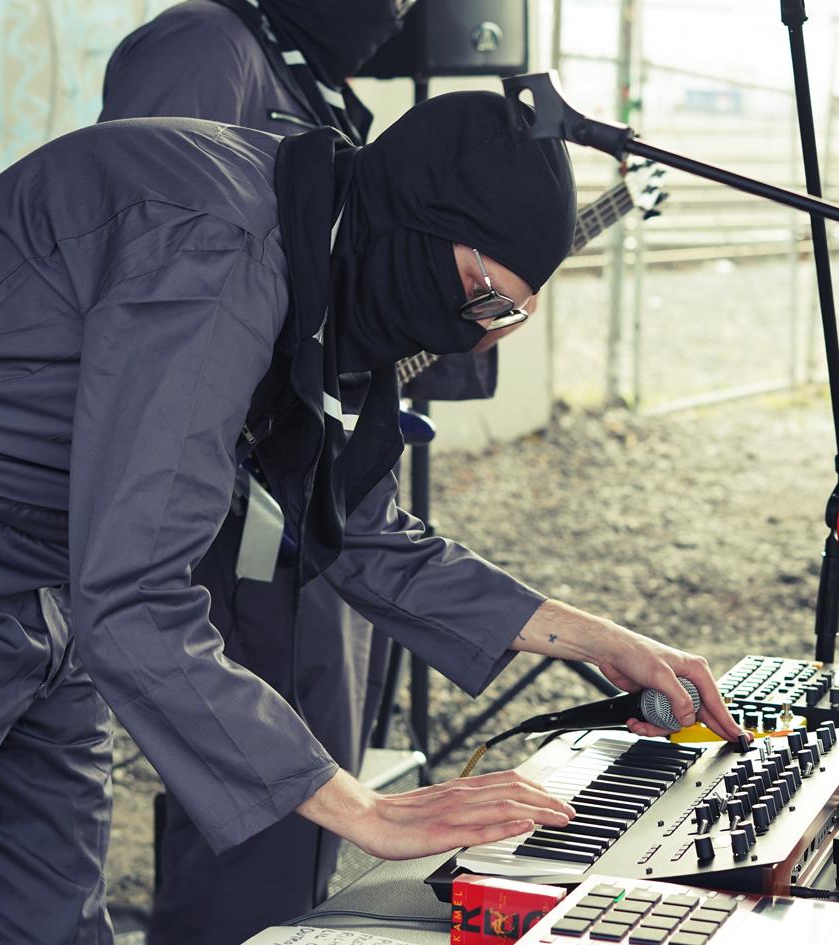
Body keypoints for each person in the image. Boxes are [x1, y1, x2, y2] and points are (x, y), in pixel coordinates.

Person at [0, 92, 745, 945]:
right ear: (420, 228)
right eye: (485, 298)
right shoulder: (220, 252)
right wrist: (364, 811)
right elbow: (138, 596)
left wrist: (596, 638)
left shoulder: (330, 238)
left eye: (511, 317)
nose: (477, 336)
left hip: (54, 566)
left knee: (46, 901)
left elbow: (358, 525)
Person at [99, 3, 510, 937]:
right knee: (254, 791)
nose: (399, 8)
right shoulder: (209, 47)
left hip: (300, 494)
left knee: (315, 762)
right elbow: (147, 264)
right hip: (233, 503)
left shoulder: (316, 80)